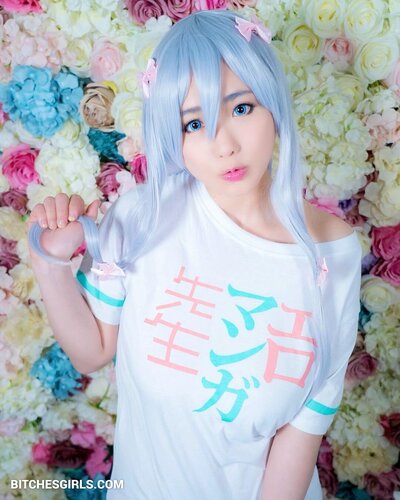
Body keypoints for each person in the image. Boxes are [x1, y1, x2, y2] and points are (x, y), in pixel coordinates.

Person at [28, 9, 362, 500]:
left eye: (241, 108)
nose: (223, 145)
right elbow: (91, 352)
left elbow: (303, 427)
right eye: (194, 123)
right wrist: (50, 264)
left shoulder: (332, 251)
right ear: (171, 133)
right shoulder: (143, 218)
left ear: (272, 103)